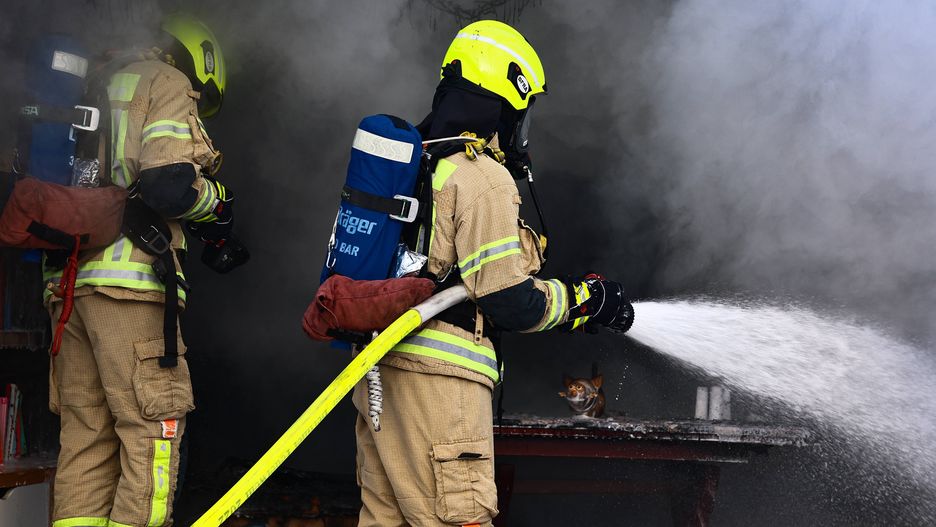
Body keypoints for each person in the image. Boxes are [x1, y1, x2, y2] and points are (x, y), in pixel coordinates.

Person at [351, 20, 633, 526]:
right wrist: (583, 302)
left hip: (380, 376)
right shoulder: (481, 176)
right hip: (443, 387)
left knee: (384, 517)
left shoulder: (419, 162)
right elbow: (510, 299)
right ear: (504, 99)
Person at [45, 13, 235, 527]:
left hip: (67, 286)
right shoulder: (165, 81)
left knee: (86, 440)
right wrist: (217, 203)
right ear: (193, 59)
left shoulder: (93, 82)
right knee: (153, 431)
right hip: (128, 286)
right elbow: (168, 187)